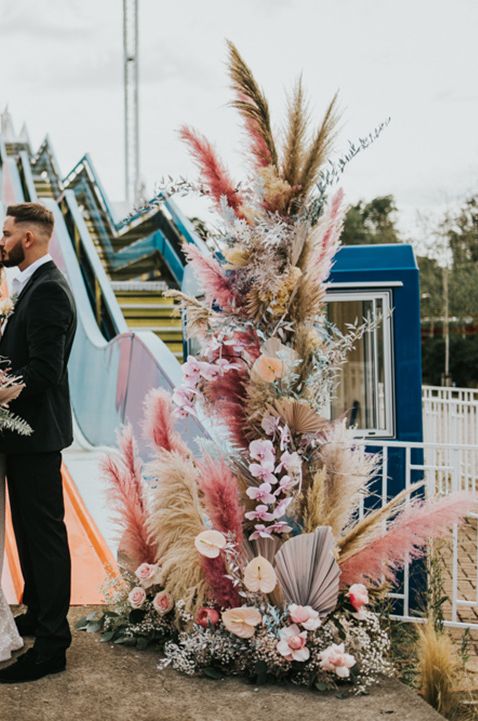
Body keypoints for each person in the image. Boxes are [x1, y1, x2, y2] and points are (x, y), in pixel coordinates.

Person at [0, 203, 77, 683]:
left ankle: (53, 643)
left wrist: (3, 391)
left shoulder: (48, 292)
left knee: (45, 536)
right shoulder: (31, 287)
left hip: (37, 435)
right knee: (28, 532)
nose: (1, 241)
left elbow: (45, 372)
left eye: (6, 233)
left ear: (27, 239)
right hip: (19, 434)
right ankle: (37, 610)